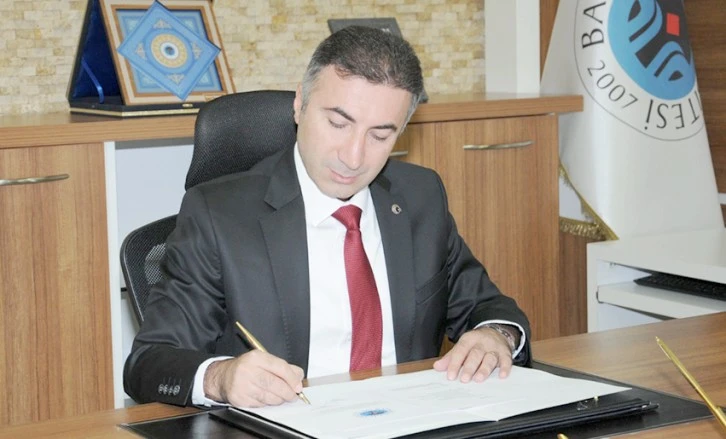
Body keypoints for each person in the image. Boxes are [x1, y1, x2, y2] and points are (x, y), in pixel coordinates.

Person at [124, 26, 532, 409]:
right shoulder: (218, 216)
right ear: (299, 103)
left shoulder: (420, 197)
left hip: (410, 420)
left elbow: (488, 306)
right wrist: (221, 377)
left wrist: (495, 334)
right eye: (338, 123)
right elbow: (148, 362)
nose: (353, 157)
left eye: (380, 135)